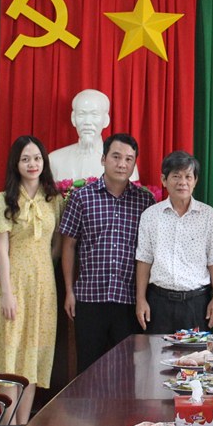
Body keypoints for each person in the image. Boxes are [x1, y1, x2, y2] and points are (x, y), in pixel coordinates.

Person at [0, 135, 63, 424]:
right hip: (14, 284)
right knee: (11, 358)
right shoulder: (3, 199)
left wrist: (42, 266)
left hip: (44, 288)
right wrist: (6, 292)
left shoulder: (54, 199)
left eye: (37, 158)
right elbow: (1, 251)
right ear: (15, 164)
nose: (32, 164)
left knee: (33, 360)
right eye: (25, 159)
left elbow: (57, 245)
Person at [60, 133, 155, 372]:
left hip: (129, 300)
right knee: (88, 369)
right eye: (116, 157)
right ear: (103, 159)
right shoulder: (81, 197)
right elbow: (68, 245)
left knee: (127, 371)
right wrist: (69, 291)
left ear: (134, 164)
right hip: (90, 298)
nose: (122, 164)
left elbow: (150, 252)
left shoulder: (145, 201)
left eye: (129, 159)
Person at [135, 151, 213, 333]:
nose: (182, 182)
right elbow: (144, 260)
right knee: (156, 352)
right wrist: (140, 299)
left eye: (188, 177)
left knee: (195, 352)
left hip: (196, 304)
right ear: (164, 180)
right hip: (159, 303)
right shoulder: (150, 216)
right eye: (176, 176)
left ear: (195, 181)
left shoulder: (209, 216)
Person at [48, 89, 140, 181]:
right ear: (73, 118)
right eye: (81, 115)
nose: (87, 122)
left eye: (94, 115)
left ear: (106, 120)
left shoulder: (124, 163)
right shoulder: (55, 160)